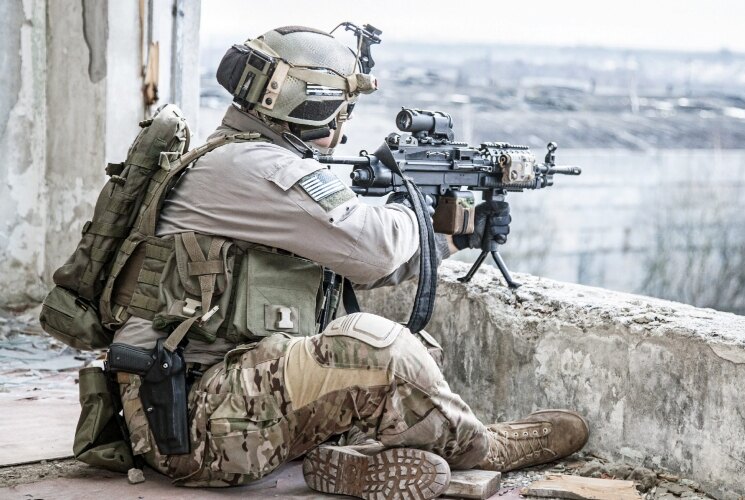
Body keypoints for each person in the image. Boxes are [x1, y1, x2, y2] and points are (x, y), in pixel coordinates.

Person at [110, 24, 589, 499]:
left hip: (202, 405)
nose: (344, 121)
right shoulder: (259, 169)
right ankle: (485, 448)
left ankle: (348, 460)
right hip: (188, 428)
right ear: (314, 104)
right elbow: (374, 247)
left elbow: (350, 262)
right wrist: (418, 205)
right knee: (382, 351)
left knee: (419, 350)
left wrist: (451, 240)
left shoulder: (236, 160)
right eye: (343, 106)